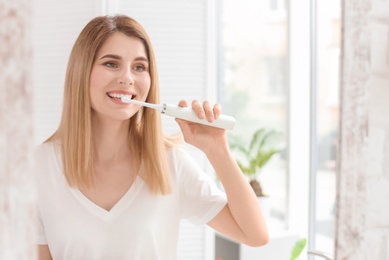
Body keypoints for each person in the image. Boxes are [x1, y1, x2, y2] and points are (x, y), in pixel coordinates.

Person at [33, 14, 269, 260]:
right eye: (111, 63)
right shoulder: (38, 167)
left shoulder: (169, 163)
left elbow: (255, 235)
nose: (127, 78)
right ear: (81, 72)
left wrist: (217, 150)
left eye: (139, 67)